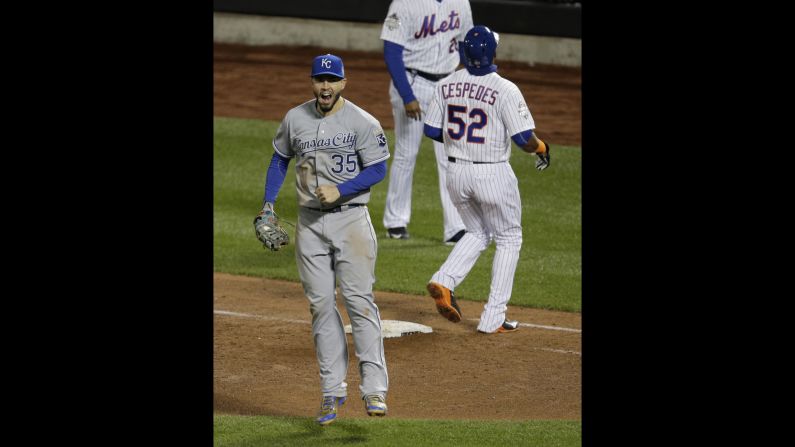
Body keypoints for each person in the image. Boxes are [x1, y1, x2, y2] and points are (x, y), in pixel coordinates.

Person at [254, 54, 390, 425]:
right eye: (319, 79)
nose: (325, 86)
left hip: (351, 223)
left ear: (343, 83)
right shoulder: (295, 117)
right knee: (320, 307)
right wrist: (268, 203)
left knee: (360, 303)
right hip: (310, 226)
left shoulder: (363, 121)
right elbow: (279, 159)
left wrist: (343, 190)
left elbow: (378, 167)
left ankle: (374, 388)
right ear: (312, 82)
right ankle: (332, 392)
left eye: (332, 80)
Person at [422, 26, 551, 334]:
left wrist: (459, 141)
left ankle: (444, 279)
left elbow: (430, 130)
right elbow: (524, 139)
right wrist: (543, 148)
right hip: (492, 172)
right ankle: (493, 317)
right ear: (493, 53)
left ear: (464, 54)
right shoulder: (505, 89)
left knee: (478, 231)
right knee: (509, 238)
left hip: (456, 173)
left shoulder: (445, 84)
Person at [379, 0, 474, 244]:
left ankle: (455, 227)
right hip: (413, 81)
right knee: (407, 152)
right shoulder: (403, 4)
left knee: (450, 157)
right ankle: (396, 220)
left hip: (449, 84)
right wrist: (407, 96)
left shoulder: (460, 2)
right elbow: (391, 51)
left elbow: (465, 44)